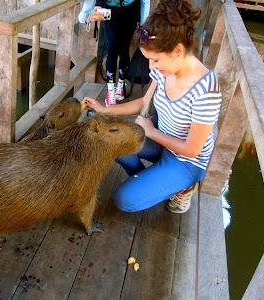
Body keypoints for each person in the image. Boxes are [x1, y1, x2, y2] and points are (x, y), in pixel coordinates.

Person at [83, 0, 222, 214]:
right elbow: (143, 101)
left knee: (123, 200)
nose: (151, 67)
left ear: (177, 50)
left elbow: (192, 150)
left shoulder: (206, 88)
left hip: (185, 161)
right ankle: (152, 178)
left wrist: (151, 131)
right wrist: (104, 109)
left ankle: (183, 188)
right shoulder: (164, 69)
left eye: (155, 60)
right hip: (161, 140)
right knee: (107, 137)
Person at [78, 0, 150, 107]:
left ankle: (121, 85)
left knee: (124, 49)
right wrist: (87, 16)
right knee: (112, 48)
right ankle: (110, 90)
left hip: (131, 11)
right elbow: (85, 12)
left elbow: (145, 1)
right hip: (109, 11)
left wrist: (144, 26)